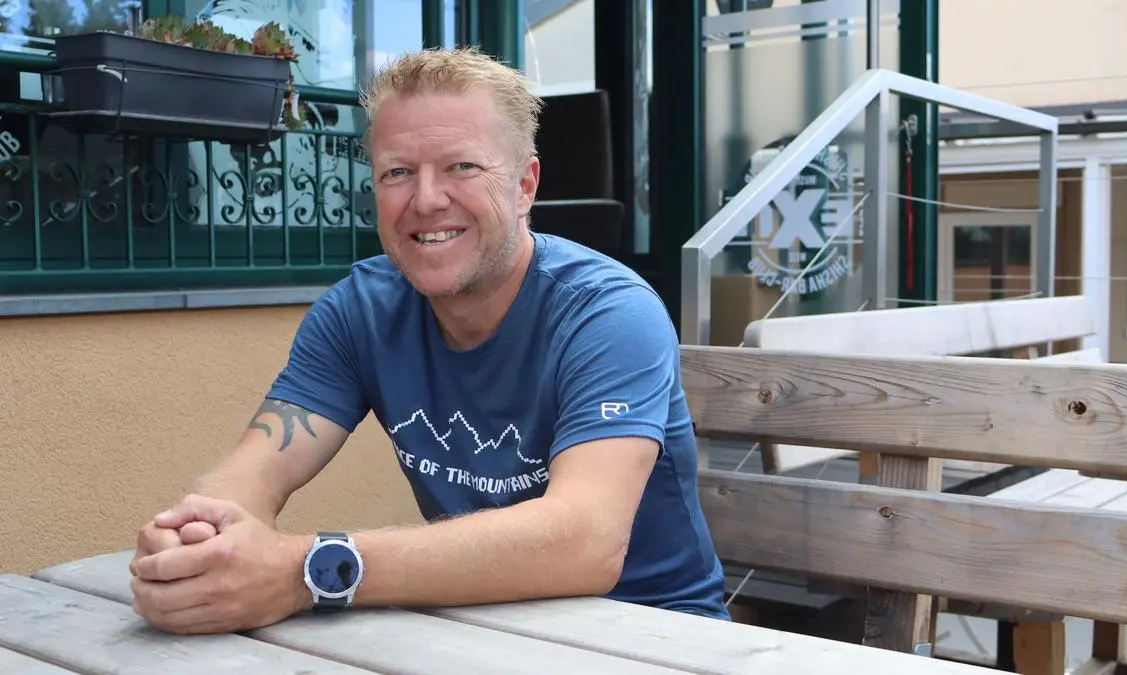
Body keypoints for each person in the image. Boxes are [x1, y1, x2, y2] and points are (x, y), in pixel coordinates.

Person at [127, 47, 729, 635]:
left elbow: (586, 541)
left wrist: (304, 571)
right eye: (397, 172)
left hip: (652, 639)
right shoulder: (360, 311)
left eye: (461, 166)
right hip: (475, 633)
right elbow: (252, 475)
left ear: (525, 185)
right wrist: (195, 538)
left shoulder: (607, 312)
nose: (425, 199)